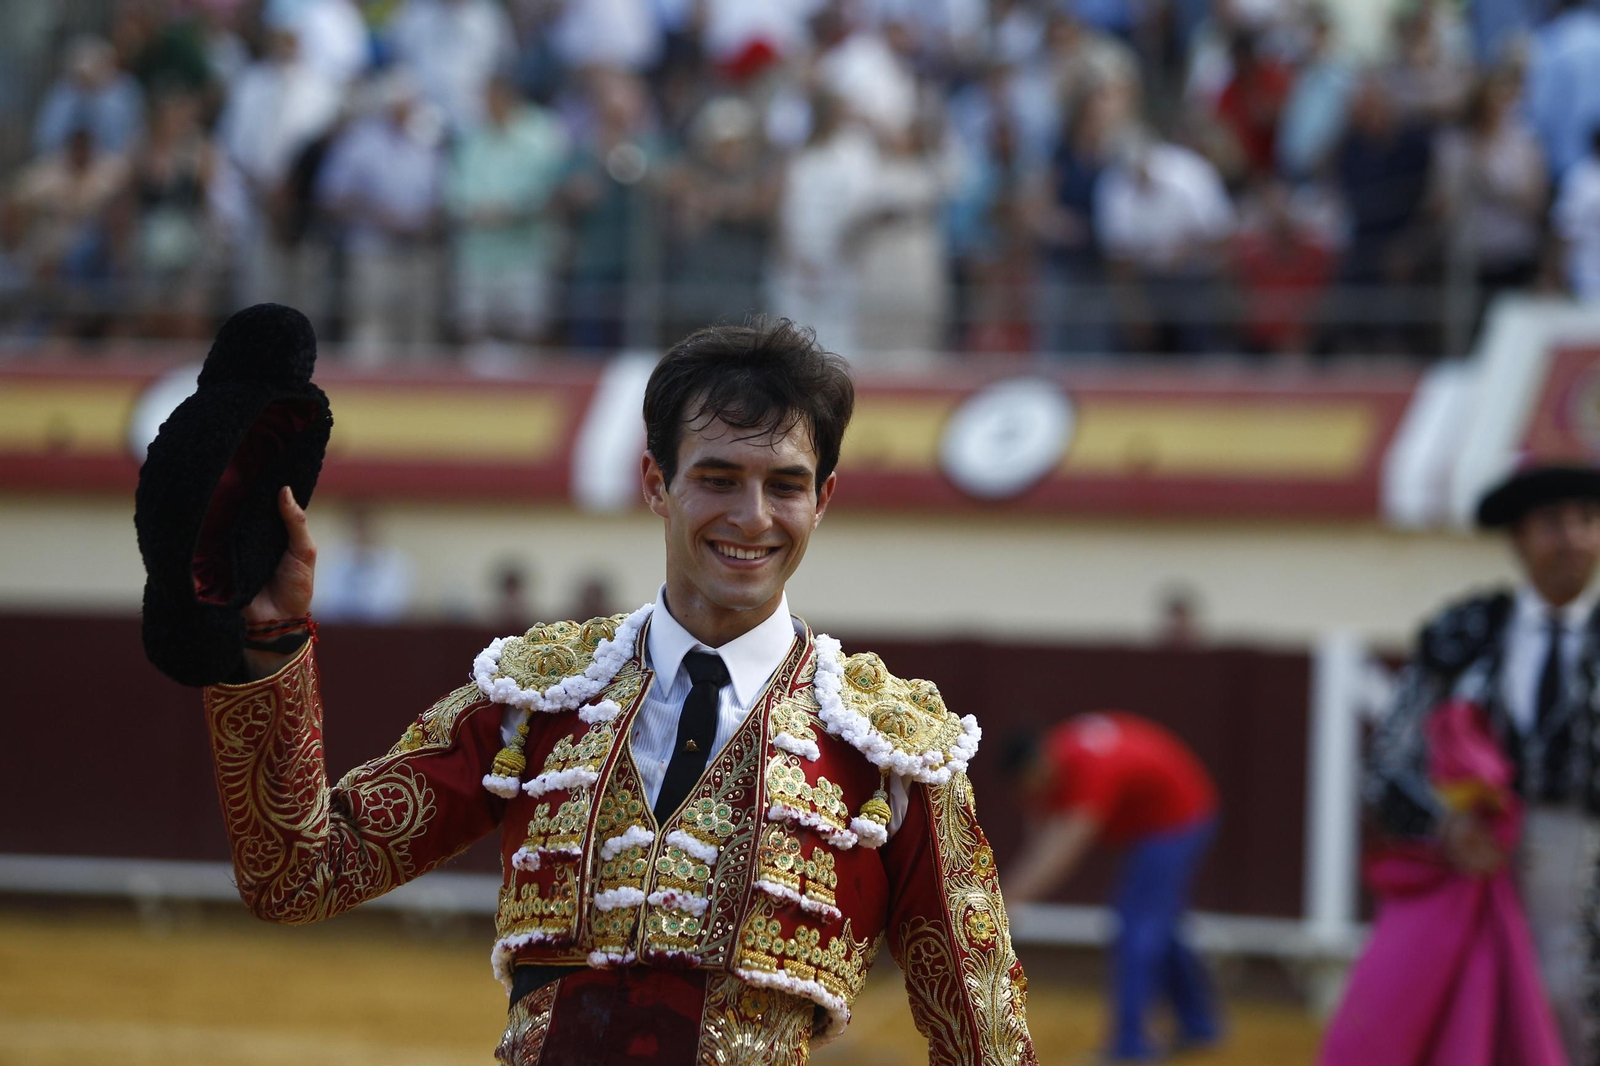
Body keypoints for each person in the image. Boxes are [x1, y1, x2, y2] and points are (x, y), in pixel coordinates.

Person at [198, 320, 1037, 1063]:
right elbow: (299, 873)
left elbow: (985, 1038)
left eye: (783, 484)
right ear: (653, 483)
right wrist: (269, 646)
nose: (752, 517)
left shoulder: (887, 747)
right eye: (716, 477)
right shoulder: (538, 699)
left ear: (821, 502)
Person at [1367, 461, 1600, 1063]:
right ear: (1519, 539)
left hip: (1584, 849)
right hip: (1468, 856)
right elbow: (1390, 756)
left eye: (1588, 521)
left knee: (1569, 994)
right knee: (1462, 994)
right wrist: (1445, 826)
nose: (1573, 538)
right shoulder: (1466, 633)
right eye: (1553, 523)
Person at [1003, 711, 1221, 1062]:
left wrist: (1010, 899)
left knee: (1137, 924)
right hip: (1164, 817)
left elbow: (1064, 846)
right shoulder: (1053, 757)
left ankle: (1131, 1047)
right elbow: (1043, 834)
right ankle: (1198, 1025)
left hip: (1178, 819)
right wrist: (1012, 895)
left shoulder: (1087, 766)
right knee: (1158, 925)